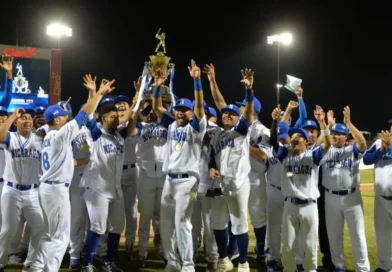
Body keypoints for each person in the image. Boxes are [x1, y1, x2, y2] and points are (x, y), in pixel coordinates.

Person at [28, 79, 115, 272]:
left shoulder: (52, 137)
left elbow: (85, 115)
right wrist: (99, 93)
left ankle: (36, 267)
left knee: (48, 234)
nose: (67, 117)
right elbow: (84, 114)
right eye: (64, 116)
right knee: (60, 237)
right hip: (56, 189)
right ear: (57, 119)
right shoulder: (60, 135)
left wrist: (92, 94)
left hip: (49, 187)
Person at [270, 104, 331, 272]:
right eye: (292, 135)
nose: (294, 138)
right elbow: (273, 141)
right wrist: (275, 122)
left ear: (306, 140)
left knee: (311, 247)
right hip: (289, 206)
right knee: (288, 246)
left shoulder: (314, 155)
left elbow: (327, 143)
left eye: (298, 136)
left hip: (309, 207)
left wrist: (322, 123)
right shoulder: (285, 154)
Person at [160, 59, 206, 272]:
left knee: (182, 224)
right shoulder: (171, 125)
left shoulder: (196, 128)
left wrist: (197, 82)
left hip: (188, 180)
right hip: (169, 179)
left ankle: (188, 265)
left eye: (184, 110)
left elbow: (198, 106)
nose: (180, 113)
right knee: (166, 224)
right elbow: (158, 107)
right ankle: (172, 262)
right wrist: (156, 86)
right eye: (178, 109)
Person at [208, 68, 255, 272]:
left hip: (238, 185)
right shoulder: (217, 135)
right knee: (218, 224)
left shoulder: (241, 132)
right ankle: (223, 259)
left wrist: (249, 91)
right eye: (225, 113)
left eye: (232, 114)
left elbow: (249, 112)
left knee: (239, 224)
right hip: (220, 184)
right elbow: (212, 157)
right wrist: (211, 168)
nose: (227, 115)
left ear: (239, 119)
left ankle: (243, 262)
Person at [321, 107, 370, 272]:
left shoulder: (352, 150)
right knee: (334, 236)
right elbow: (318, 143)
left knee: (358, 236)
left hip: (352, 199)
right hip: (330, 198)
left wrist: (348, 123)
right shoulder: (326, 150)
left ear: (346, 137)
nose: (334, 135)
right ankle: (339, 266)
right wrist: (326, 125)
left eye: (338, 133)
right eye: (333, 133)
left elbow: (362, 143)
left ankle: (362, 268)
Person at [363, 122, 392, 272]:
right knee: (382, 234)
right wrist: (381, 149)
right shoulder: (379, 143)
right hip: (381, 198)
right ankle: (384, 266)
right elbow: (366, 160)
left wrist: (390, 147)